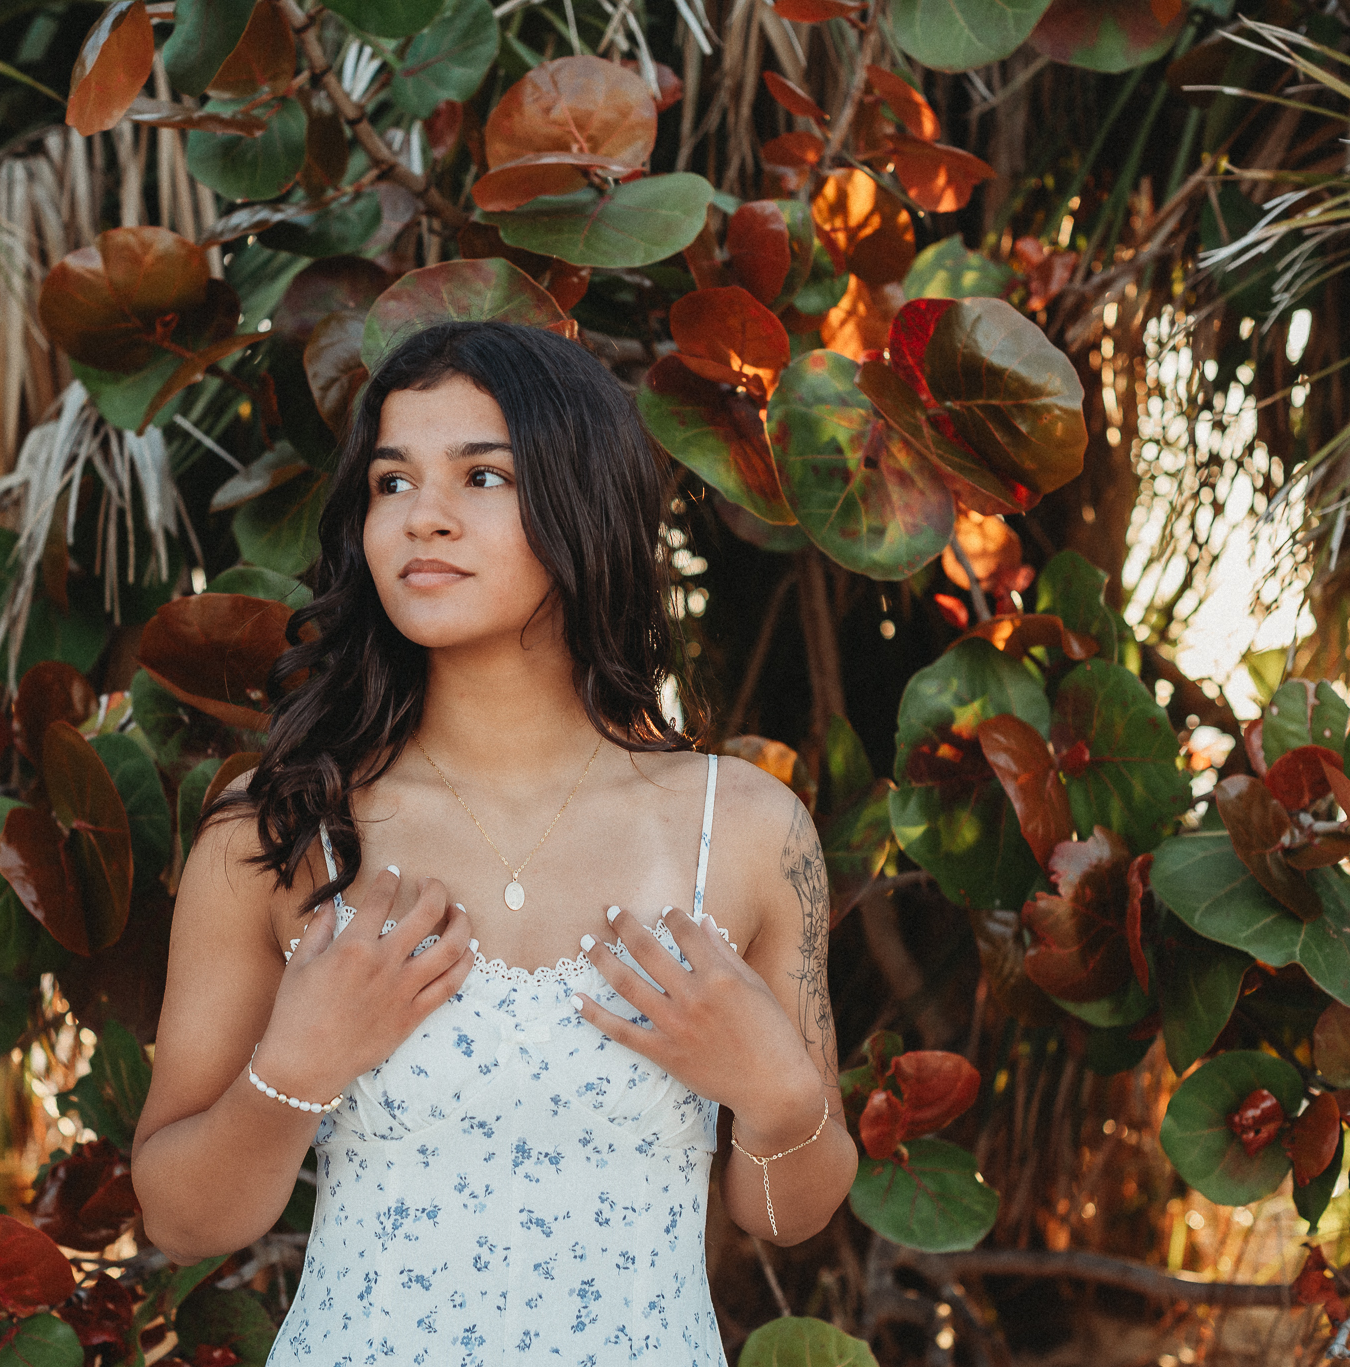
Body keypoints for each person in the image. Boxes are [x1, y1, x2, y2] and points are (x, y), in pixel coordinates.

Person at [129, 321, 857, 1363]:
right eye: (389, 483)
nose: (422, 517)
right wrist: (297, 1064)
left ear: (581, 503)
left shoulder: (742, 830)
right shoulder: (282, 826)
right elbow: (182, 1218)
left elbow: (785, 1211)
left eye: (482, 475)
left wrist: (777, 1091)